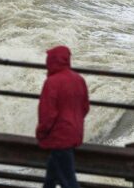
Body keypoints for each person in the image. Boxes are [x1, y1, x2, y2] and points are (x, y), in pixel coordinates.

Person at [36, 45, 90, 188]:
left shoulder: (52, 82)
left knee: (68, 181)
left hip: (59, 136)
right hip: (74, 133)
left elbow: (48, 114)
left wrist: (41, 132)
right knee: (51, 177)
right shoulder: (79, 79)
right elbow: (85, 107)